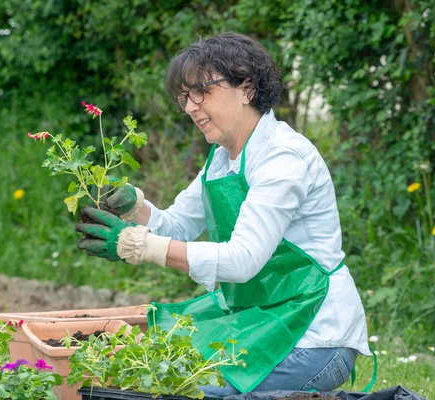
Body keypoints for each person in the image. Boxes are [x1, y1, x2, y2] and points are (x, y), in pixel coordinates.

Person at [75, 32, 371, 395]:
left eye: (202, 92)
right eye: (185, 97)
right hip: (264, 317)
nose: (190, 107)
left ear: (246, 87)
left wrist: (142, 247)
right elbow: (178, 225)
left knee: (186, 389)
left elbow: (242, 260)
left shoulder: (283, 158)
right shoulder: (222, 158)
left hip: (313, 334)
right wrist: (137, 208)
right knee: (155, 363)